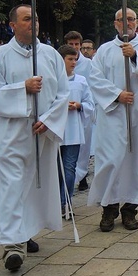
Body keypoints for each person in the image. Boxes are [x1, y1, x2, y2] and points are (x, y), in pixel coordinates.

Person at [0, 5, 70, 272]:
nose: (32, 23)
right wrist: (23, 88)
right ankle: (13, 246)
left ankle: (27, 231)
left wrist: (50, 119)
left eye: (35, 18)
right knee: (11, 186)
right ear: (12, 25)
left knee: (35, 186)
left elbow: (63, 93)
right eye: (26, 19)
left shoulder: (51, 55)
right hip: (12, 133)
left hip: (41, 133)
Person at [87, 8, 138, 232]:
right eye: (122, 20)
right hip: (113, 114)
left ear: (136, 23)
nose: (126, 23)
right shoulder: (104, 50)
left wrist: (135, 56)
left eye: (130, 19)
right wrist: (116, 94)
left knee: (137, 159)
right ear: (115, 24)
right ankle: (109, 208)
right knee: (111, 160)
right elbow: (95, 78)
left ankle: (130, 209)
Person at [57, 44, 94, 215]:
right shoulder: (53, 80)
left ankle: (67, 201)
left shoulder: (81, 81)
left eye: (75, 59)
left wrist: (79, 105)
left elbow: (90, 104)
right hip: (56, 129)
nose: (73, 62)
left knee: (69, 167)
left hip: (73, 130)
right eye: (70, 59)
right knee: (56, 168)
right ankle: (56, 200)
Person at [63, 31, 94, 192]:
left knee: (83, 148)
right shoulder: (58, 66)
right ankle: (64, 193)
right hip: (62, 120)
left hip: (81, 115)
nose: (74, 48)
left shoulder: (88, 65)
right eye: (71, 44)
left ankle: (81, 175)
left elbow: (91, 91)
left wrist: (81, 105)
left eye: (77, 44)